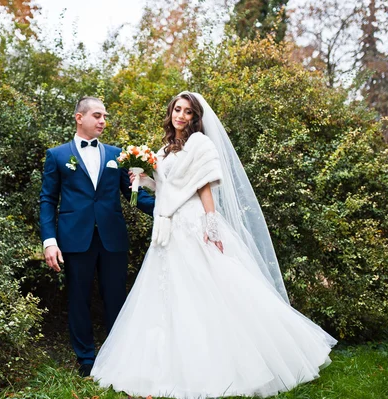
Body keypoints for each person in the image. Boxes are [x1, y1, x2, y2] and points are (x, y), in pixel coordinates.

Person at [90, 92, 337, 398]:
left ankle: (237, 363)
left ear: (196, 117)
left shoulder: (200, 144)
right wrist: (141, 177)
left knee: (208, 287)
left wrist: (211, 224)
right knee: (167, 292)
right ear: (171, 113)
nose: (181, 115)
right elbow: (166, 186)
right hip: (167, 228)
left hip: (191, 223)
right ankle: (165, 366)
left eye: (188, 112)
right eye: (177, 110)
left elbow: (203, 184)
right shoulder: (164, 149)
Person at [40, 96, 155, 377]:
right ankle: (87, 359)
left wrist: (167, 208)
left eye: (105, 116)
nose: (103, 121)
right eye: (97, 116)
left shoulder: (117, 154)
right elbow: (47, 200)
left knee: (116, 297)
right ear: (80, 118)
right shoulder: (57, 155)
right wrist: (49, 241)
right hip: (74, 238)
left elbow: (131, 196)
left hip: (112, 237)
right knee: (78, 298)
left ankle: (119, 355)